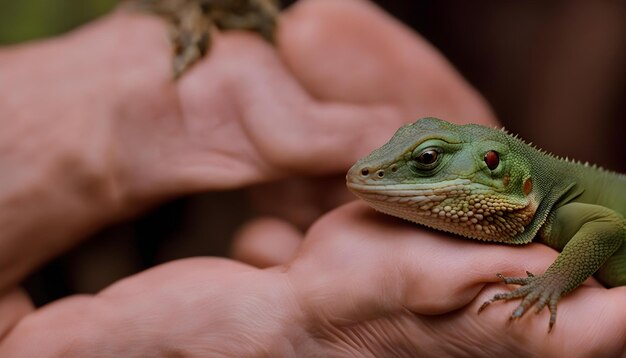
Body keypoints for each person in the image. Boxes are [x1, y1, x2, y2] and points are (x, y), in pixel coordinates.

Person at [0, 0, 623, 355]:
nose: (375, 170)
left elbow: (609, 226)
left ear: (497, 169)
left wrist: (550, 286)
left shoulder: (569, 215)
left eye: (427, 161)